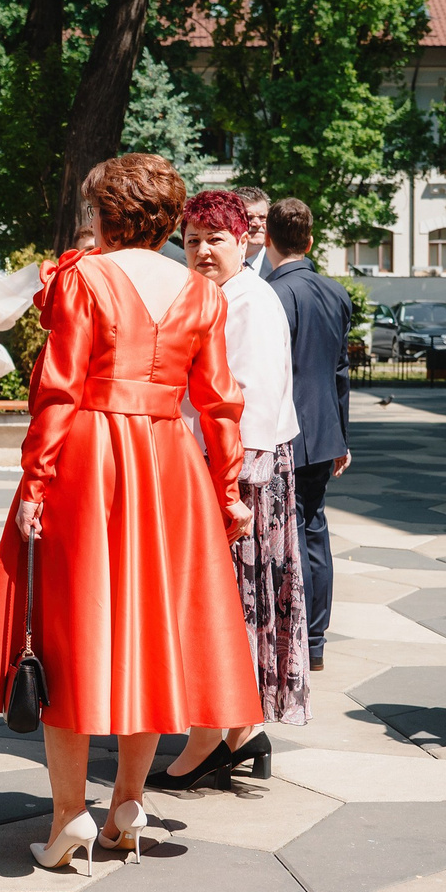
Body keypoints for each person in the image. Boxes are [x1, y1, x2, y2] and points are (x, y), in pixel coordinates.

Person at [0, 155, 259, 872]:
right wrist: (227, 493)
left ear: (110, 210)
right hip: (169, 462)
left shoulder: (84, 279)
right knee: (151, 634)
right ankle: (128, 801)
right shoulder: (201, 292)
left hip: (89, 459)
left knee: (69, 632)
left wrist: (34, 483)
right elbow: (219, 405)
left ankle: (70, 816)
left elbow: (57, 390)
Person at [157, 191, 308, 785]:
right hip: (216, 472)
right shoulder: (214, 296)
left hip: (241, 480)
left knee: (224, 608)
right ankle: (241, 734)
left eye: (214, 239)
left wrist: (233, 493)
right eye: (192, 240)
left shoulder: (250, 301)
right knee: (219, 607)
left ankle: (208, 740)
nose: (201, 251)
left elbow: (252, 404)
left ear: (245, 240)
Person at [263, 197, 351, 673]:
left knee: (290, 535)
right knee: (315, 531)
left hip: (286, 431)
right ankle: (315, 639)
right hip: (324, 431)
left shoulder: (273, 294)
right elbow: (341, 369)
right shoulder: (336, 292)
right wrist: (343, 435)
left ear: (269, 241)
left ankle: (292, 638)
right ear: (310, 241)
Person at [235, 186, 274, 280]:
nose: (257, 224)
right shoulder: (216, 263)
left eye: (262, 217)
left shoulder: (282, 265)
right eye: (249, 218)